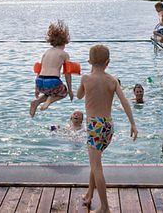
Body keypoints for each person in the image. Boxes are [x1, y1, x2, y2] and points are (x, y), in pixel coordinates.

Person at [76, 44, 137, 212]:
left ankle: (105, 207)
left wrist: (81, 84)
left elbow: (79, 95)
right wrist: (132, 123)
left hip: (95, 126)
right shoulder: (113, 80)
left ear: (89, 61)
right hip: (108, 126)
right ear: (108, 62)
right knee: (95, 162)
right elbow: (125, 101)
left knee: (96, 166)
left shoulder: (86, 79)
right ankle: (89, 194)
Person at [30, 20, 73, 117]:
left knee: (49, 92)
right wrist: (70, 90)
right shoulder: (64, 54)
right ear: (65, 41)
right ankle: (49, 101)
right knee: (63, 92)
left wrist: (36, 89)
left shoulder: (46, 53)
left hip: (40, 81)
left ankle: (36, 102)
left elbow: (39, 71)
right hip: (53, 81)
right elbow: (67, 73)